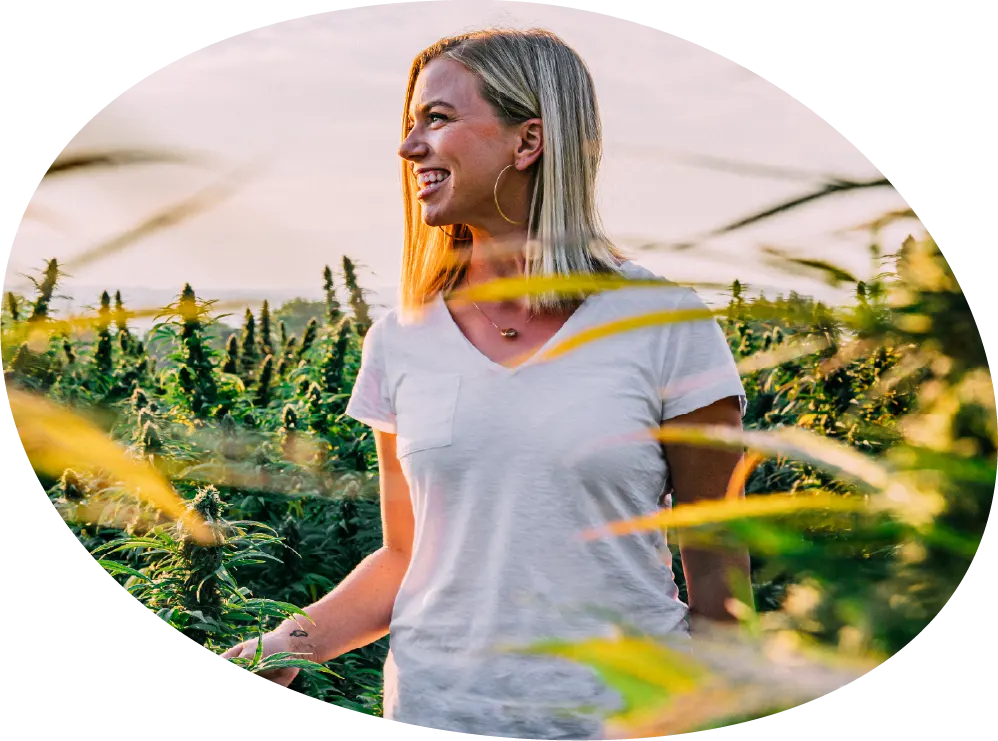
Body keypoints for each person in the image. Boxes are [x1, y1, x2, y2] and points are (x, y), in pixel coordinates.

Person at [222, 27, 751, 740]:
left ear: (527, 141)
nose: (409, 147)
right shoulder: (401, 337)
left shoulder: (666, 324)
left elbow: (718, 572)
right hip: (438, 717)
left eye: (436, 119)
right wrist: (287, 642)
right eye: (411, 124)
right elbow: (406, 556)